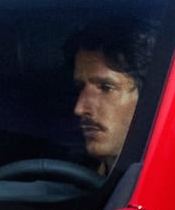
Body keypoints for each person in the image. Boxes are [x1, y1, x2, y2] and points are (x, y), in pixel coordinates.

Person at [61, 19, 157, 171]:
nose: (79, 109)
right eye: (80, 87)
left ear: (147, 99)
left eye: (106, 88)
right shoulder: (68, 172)